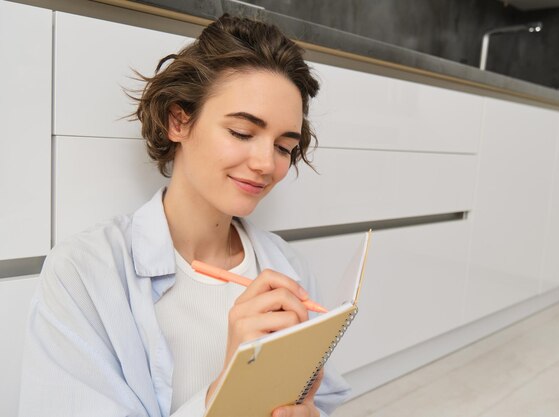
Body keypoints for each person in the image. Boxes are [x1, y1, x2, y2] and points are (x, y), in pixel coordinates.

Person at [19, 14, 350, 417]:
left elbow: (328, 398)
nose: (266, 163)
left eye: (284, 147)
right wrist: (229, 394)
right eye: (243, 133)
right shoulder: (84, 273)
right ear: (179, 120)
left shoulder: (289, 267)